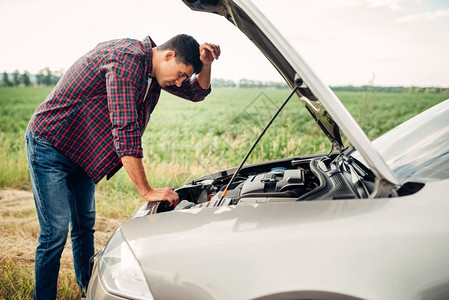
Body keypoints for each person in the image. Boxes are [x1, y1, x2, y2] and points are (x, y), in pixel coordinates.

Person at [25, 34, 220, 299]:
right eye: (181, 75)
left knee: (84, 227)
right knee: (55, 231)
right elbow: (125, 129)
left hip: (81, 152)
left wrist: (205, 64)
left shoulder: (155, 73)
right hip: (51, 144)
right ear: (169, 55)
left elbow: (196, 93)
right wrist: (147, 191)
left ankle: (87, 290)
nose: (179, 82)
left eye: (183, 78)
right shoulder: (127, 59)